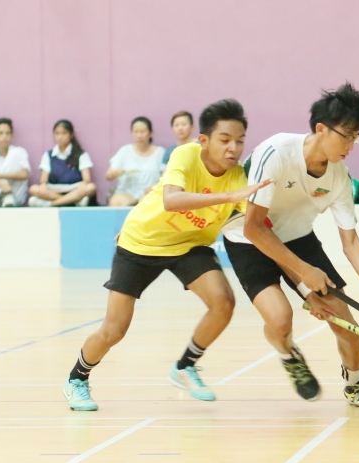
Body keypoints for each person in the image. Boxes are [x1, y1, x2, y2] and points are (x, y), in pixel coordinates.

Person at [63, 99, 270, 411]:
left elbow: (254, 227)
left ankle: (185, 366)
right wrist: (228, 196)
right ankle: (77, 378)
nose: (233, 148)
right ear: (205, 140)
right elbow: (172, 201)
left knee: (223, 301)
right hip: (141, 242)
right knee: (114, 329)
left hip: (188, 245)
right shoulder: (185, 155)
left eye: (240, 141)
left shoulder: (239, 177)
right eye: (225, 140)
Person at [222, 83, 359, 407]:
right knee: (280, 320)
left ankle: (355, 383)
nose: (351, 144)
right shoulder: (276, 152)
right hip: (247, 238)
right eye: (345, 135)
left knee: (347, 327)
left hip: (299, 239)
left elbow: (352, 243)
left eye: (356, 136)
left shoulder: (339, 178)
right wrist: (305, 275)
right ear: (321, 129)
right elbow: (255, 227)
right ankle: (288, 353)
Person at [28, 120, 96, 207]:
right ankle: (71, 201)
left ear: (71, 135)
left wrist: (83, 185)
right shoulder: (48, 155)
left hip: (74, 188)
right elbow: (43, 180)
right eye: (57, 133)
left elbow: (86, 179)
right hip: (54, 190)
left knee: (91, 187)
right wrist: (43, 186)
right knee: (33, 189)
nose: (60, 137)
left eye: (64, 133)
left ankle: (53, 204)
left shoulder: (81, 154)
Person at [105, 117, 165, 206]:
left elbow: (166, 177)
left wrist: (157, 187)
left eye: (142, 132)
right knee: (116, 201)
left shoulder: (160, 152)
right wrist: (114, 173)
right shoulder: (125, 150)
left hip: (150, 192)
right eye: (136, 132)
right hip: (126, 192)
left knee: (146, 203)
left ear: (150, 133)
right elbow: (108, 175)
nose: (139, 135)